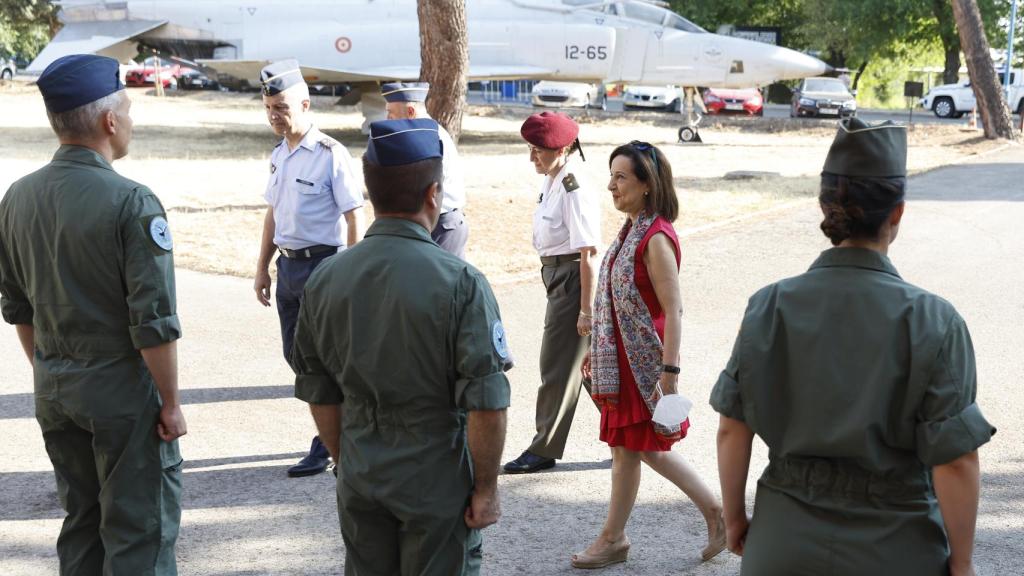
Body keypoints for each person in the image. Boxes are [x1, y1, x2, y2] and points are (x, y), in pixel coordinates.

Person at [712, 117, 997, 576]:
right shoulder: (934, 319)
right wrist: (962, 565)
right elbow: (957, 460)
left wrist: (734, 520)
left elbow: (732, 428)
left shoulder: (769, 305)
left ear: (825, 208)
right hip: (897, 547)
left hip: (782, 543)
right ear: (897, 212)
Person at [292, 117, 512, 575]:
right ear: (433, 194)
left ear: (371, 193)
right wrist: (486, 489)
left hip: (361, 472)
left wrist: (347, 460)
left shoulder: (325, 278)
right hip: (434, 475)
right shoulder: (461, 282)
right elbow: (486, 403)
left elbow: (320, 392)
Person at [0, 54, 185, 574]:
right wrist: (169, 402)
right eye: (126, 108)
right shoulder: (131, 201)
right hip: (122, 394)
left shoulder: (17, 197)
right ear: (108, 121)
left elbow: (17, 307)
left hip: (56, 386)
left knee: (81, 522)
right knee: (139, 529)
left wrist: (50, 372)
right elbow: (153, 321)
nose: (130, 119)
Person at [571, 142, 725, 569]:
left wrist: (670, 372)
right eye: (612, 175)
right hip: (620, 360)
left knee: (632, 449)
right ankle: (715, 513)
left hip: (643, 365)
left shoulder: (654, 237)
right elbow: (614, 304)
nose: (611, 186)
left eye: (621, 177)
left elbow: (673, 308)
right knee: (642, 449)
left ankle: (613, 538)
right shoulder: (631, 229)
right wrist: (597, 350)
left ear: (646, 184)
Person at [252, 59, 364, 478]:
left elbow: (354, 216)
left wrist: (352, 271)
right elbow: (273, 213)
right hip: (289, 269)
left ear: (304, 103)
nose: (274, 116)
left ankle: (330, 440)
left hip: (325, 266)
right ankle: (338, 427)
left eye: (281, 107)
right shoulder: (279, 155)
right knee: (295, 355)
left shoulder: (331, 155)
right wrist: (262, 267)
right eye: (268, 108)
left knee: (323, 359)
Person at [503, 111, 601, 474]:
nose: (532, 157)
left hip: (573, 278)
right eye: (530, 149)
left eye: (538, 150)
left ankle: (544, 448)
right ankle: (631, 434)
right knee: (587, 368)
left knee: (557, 365)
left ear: (562, 148)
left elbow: (588, 251)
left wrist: (586, 310)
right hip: (558, 274)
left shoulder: (573, 185)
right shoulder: (555, 177)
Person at [381, 81, 469, 258]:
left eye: (391, 114)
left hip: (442, 226)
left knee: (442, 284)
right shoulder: (420, 135)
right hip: (430, 223)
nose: (387, 120)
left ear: (411, 112)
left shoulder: (430, 138)